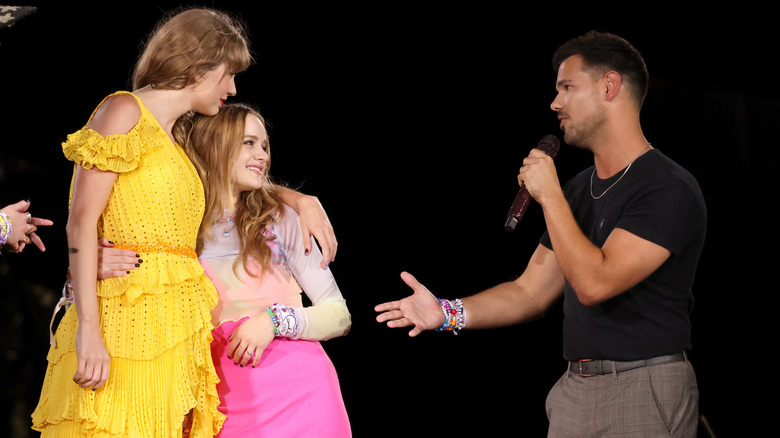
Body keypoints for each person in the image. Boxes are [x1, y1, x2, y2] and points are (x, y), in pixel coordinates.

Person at [375, 31, 706, 437]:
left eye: (568, 87)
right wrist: (447, 313)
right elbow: (530, 292)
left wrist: (548, 194)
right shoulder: (575, 191)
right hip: (574, 390)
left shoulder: (666, 187)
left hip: (641, 386)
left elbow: (594, 283)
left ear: (609, 86)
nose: (555, 103)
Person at [31, 8, 334, 437]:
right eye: (228, 75)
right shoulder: (123, 110)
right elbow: (80, 223)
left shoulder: (179, 138)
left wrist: (299, 199)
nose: (232, 89)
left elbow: (230, 176)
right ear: (198, 67)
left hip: (176, 334)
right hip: (123, 322)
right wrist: (89, 332)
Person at [174, 102, 351, 436]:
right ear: (215, 145)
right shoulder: (177, 228)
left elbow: (340, 316)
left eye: (265, 145)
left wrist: (274, 320)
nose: (263, 155)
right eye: (249, 143)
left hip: (303, 398)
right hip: (219, 406)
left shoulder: (281, 219)